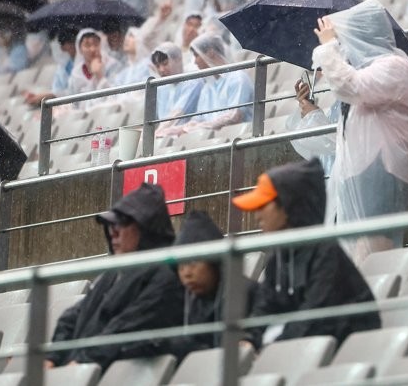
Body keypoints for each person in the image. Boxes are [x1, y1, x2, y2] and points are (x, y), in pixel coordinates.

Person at [311, 0, 408, 261]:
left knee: (373, 253)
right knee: (355, 257)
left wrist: (329, 49)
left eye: (345, 39)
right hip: (358, 171)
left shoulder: (395, 67)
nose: (343, 46)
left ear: (363, 35)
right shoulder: (369, 70)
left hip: (380, 169)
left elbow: (352, 87)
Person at [233, 159, 381, 343]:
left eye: (263, 206)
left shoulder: (326, 255)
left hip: (345, 350)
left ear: (287, 207)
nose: (257, 216)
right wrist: (249, 340)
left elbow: (314, 319)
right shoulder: (280, 256)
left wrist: (269, 349)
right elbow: (265, 305)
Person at [47, 183, 184, 371]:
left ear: (145, 228)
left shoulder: (167, 276)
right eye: (111, 224)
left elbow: (127, 328)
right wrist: (52, 358)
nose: (113, 232)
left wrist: (81, 363)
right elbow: (71, 318)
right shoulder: (111, 275)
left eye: (122, 224)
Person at [170, 211, 263, 357]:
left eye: (193, 263)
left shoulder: (246, 292)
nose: (186, 273)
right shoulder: (185, 300)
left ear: (214, 261)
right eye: (180, 266)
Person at [165, 33, 253, 135]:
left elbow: (235, 116)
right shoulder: (207, 88)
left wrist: (198, 127)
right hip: (212, 138)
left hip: (237, 137)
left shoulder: (237, 78)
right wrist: (174, 130)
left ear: (211, 53)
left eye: (196, 55)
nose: (195, 62)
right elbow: (198, 120)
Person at [150, 42, 203, 134]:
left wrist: (155, 134)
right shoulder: (162, 89)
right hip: (166, 136)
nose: (161, 70)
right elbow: (163, 121)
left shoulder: (193, 81)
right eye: (158, 66)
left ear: (178, 60)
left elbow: (177, 115)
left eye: (165, 63)